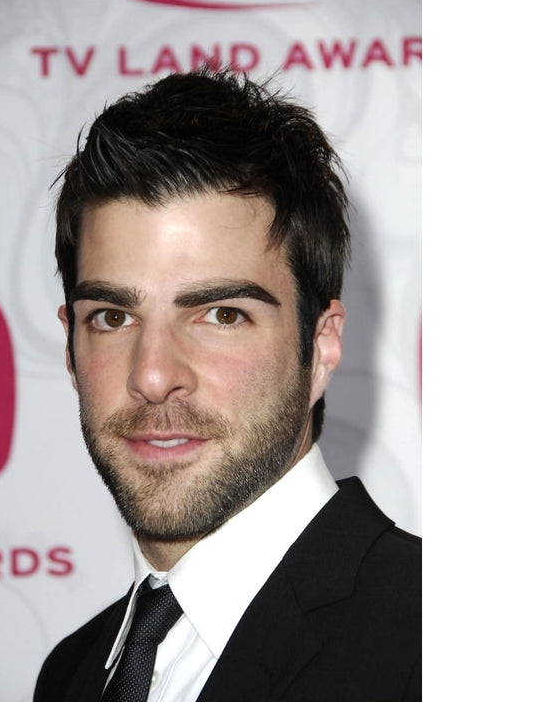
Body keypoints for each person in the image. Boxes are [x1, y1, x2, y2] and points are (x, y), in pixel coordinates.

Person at [34, 67, 421, 702]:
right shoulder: (72, 673)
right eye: (112, 317)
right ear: (71, 346)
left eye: (221, 315)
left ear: (321, 345)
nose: (153, 376)